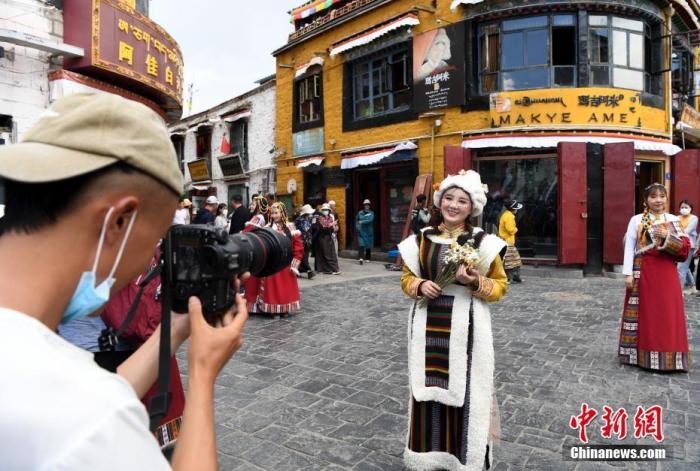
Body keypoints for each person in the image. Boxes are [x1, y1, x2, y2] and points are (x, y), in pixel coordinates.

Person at [0, 93, 248, 470]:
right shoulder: (95, 423)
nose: (147, 262)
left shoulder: (56, 390)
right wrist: (202, 374)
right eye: (155, 240)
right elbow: (91, 416)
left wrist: (175, 328)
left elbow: (81, 403)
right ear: (117, 222)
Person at [398, 170, 508, 471]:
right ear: (440, 201)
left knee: (468, 389)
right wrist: (420, 285)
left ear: (472, 207)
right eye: (449, 198)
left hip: (467, 328)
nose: (454, 205)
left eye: (462, 201)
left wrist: (474, 281)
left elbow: (500, 287)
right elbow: (406, 279)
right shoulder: (421, 240)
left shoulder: (483, 243)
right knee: (425, 386)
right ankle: (426, 456)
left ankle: (465, 459)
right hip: (426, 326)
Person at [619, 183, 691, 371]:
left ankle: (670, 357)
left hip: (667, 273)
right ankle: (640, 356)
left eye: (661, 196)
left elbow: (684, 251)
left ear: (666, 198)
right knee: (646, 314)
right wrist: (627, 273)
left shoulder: (674, 220)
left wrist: (667, 236)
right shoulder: (636, 220)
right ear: (645, 200)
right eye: (653, 196)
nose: (658, 200)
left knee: (668, 313)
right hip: (643, 271)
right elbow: (630, 247)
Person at [246, 202, 304, 317]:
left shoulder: (290, 227)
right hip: (272, 262)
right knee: (270, 289)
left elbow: (298, 245)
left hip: (285, 262)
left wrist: (295, 263)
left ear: (282, 213)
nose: (274, 215)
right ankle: (270, 309)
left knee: (283, 288)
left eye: (276, 213)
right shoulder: (267, 227)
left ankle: (283, 309)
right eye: (272, 213)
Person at [498, 199, 523, 283]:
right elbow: (511, 230)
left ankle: (514, 277)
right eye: (516, 209)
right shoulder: (510, 216)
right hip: (508, 242)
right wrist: (516, 229)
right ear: (513, 209)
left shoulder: (505, 214)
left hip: (505, 242)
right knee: (512, 261)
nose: (517, 210)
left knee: (510, 261)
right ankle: (510, 278)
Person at [677, 200, 698, 293]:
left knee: (681, 268)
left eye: (686, 207)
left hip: (689, 245)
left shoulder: (694, 218)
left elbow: (687, 231)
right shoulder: (677, 217)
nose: (684, 209)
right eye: (682, 207)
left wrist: (677, 231)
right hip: (678, 244)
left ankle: (679, 291)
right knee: (684, 266)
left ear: (690, 208)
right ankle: (692, 286)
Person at [314, 203, 340, 275]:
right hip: (322, 237)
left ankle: (333, 269)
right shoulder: (320, 217)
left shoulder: (330, 217)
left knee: (331, 253)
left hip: (329, 236)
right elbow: (324, 226)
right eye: (324, 210)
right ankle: (327, 269)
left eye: (327, 210)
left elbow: (333, 227)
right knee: (325, 253)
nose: (325, 211)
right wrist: (332, 224)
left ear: (329, 211)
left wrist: (335, 228)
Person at [295, 204, 316, 279]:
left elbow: (310, 229)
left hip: (307, 241)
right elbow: (297, 230)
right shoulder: (298, 220)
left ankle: (297, 271)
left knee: (305, 257)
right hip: (300, 241)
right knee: (302, 256)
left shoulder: (308, 219)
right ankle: (309, 271)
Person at [356, 199, 374, 264]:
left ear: (369, 206)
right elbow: (357, 221)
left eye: (368, 205)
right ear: (364, 206)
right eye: (365, 205)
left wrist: (362, 221)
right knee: (361, 244)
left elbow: (370, 220)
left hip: (368, 231)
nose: (367, 206)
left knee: (368, 244)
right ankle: (361, 258)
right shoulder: (360, 213)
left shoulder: (371, 213)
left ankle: (368, 258)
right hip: (361, 231)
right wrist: (358, 228)